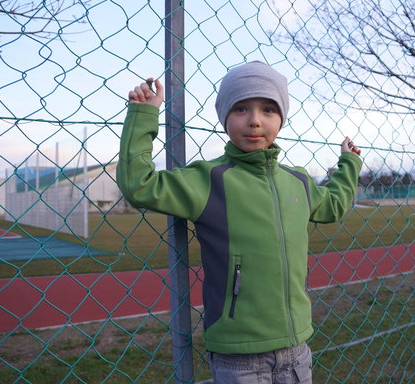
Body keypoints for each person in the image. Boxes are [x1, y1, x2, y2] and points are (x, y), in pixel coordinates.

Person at [117, 61, 362, 383]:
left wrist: (350, 164)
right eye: (241, 109)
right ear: (225, 117)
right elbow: (139, 185)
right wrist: (144, 115)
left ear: (282, 119)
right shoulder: (209, 180)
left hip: (297, 345)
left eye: (269, 110)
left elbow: (333, 205)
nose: (255, 121)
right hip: (239, 353)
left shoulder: (297, 180)